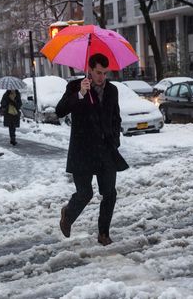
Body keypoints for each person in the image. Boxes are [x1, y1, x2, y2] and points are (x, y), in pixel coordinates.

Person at [56, 53, 129, 246]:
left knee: (110, 193)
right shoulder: (75, 87)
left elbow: (116, 117)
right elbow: (60, 110)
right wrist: (79, 94)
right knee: (85, 193)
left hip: (106, 150)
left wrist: (115, 139)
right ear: (89, 69)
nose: (101, 77)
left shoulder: (112, 90)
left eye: (105, 73)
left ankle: (103, 234)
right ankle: (68, 214)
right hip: (83, 151)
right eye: (98, 72)